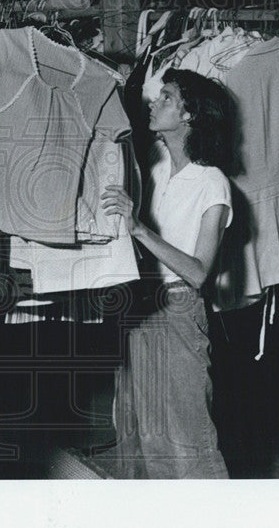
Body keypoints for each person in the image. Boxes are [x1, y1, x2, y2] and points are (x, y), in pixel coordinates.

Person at [100, 68, 233, 479]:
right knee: (145, 432)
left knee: (188, 440)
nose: (154, 103)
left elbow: (198, 271)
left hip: (178, 309)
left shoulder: (212, 183)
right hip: (140, 306)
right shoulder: (153, 169)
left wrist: (139, 227)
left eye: (167, 97)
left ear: (190, 115)